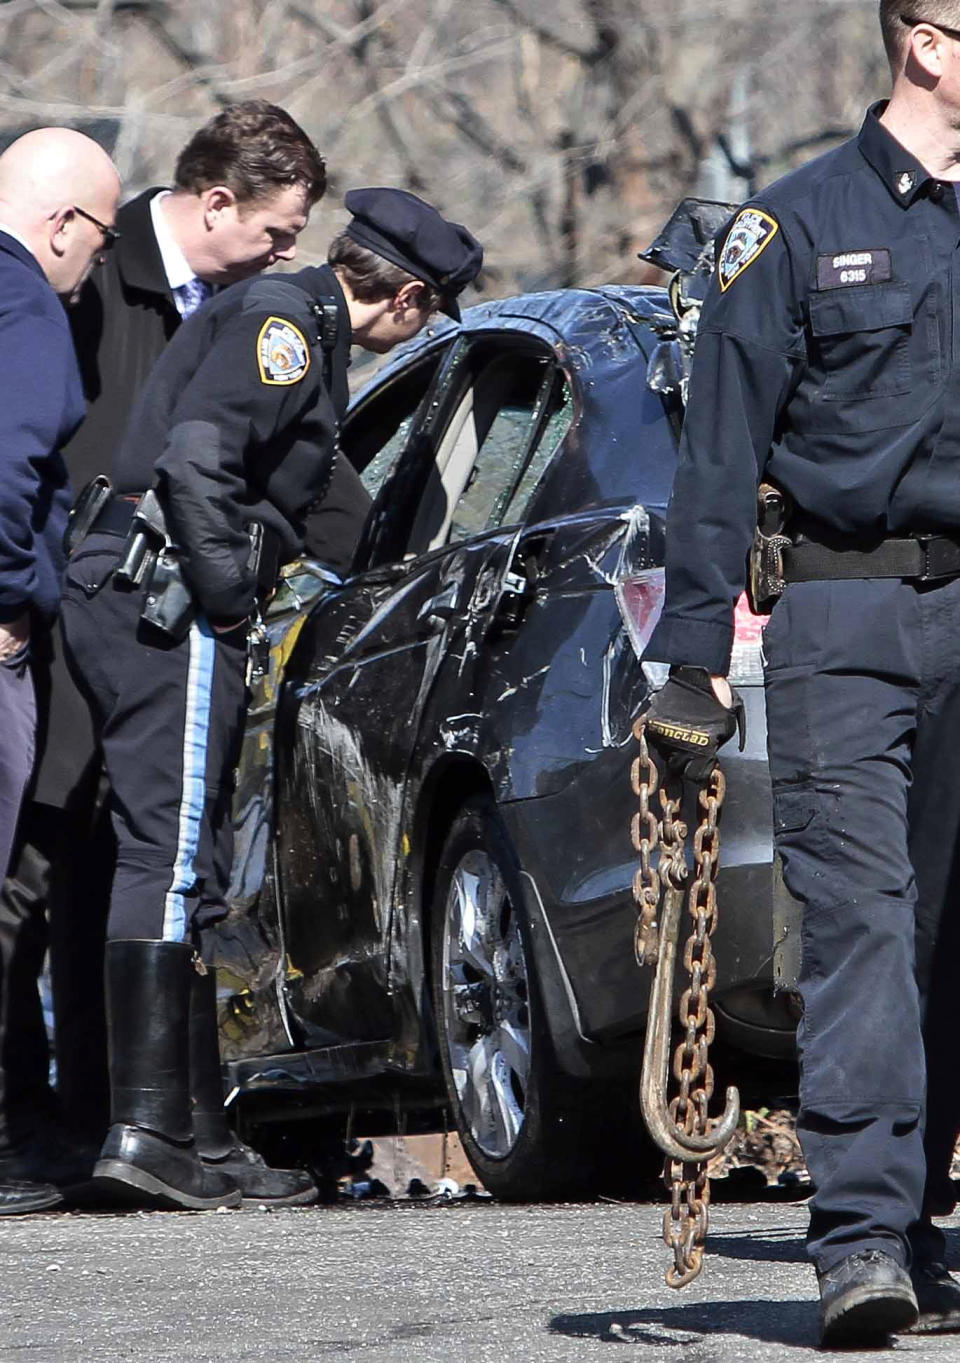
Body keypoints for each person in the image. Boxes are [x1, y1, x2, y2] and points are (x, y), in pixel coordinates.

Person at [60, 187, 483, 1211]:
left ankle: (194, 1135)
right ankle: (148, 1130)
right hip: (163, 598)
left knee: (186, 859)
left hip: (134, 589)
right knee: (165, 858)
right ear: (411, 297)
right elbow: (199, 459)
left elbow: (326, 508)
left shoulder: (286, 322)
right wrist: (229, 596)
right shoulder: (287, 325)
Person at [641, 1, 960, 1348]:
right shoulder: (793, 225)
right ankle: (865, 1238)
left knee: (949, 929)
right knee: (868, 929)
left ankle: (923, 1221)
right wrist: (695, 653)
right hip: (849, 608)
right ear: (927, 40)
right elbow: (717, 454)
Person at [0, 102, 327, 1208]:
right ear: (215, 200)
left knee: (133, 857)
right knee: (30, 873)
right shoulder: (87, 273)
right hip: (68, 603)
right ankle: (18, 1119)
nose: (286, 255)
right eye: (277, 232)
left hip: (136, 611)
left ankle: (113, 1121)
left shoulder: (239, 309)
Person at [0, 127, 120, 1215]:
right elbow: (11, 461)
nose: (93, 271)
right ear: (61, 226)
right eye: (98, 239)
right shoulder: (25, 301)